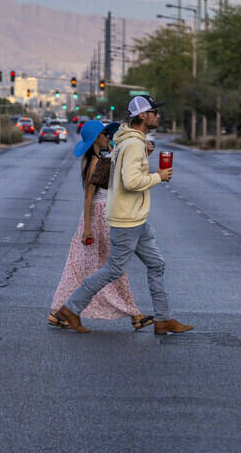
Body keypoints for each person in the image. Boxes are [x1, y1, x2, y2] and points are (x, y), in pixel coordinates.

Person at [54, 96, 193, 335]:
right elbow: (131, 182)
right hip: (127, 220)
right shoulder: (132, 144)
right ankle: (70, 309)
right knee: (113, 270)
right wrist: (158, 176)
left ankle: (163, 319)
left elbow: (121, 173)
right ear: (142, 116)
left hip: (137, 219)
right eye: (153, 112)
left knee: (156, 264)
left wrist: (146, 159)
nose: (157, 116)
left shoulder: (129, 141)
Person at [47, 120, 154, 331]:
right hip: (99, 217)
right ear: (96, 138)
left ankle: (60, 312)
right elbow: (89, 196)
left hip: (103, 215)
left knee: (85, 268)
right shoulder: (94, 162)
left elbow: (123, 172)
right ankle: (134, 314)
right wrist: (87, 227)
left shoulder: (100, 158)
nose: (108, 137)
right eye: (105, 134)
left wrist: (143, 152)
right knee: (111, 268)